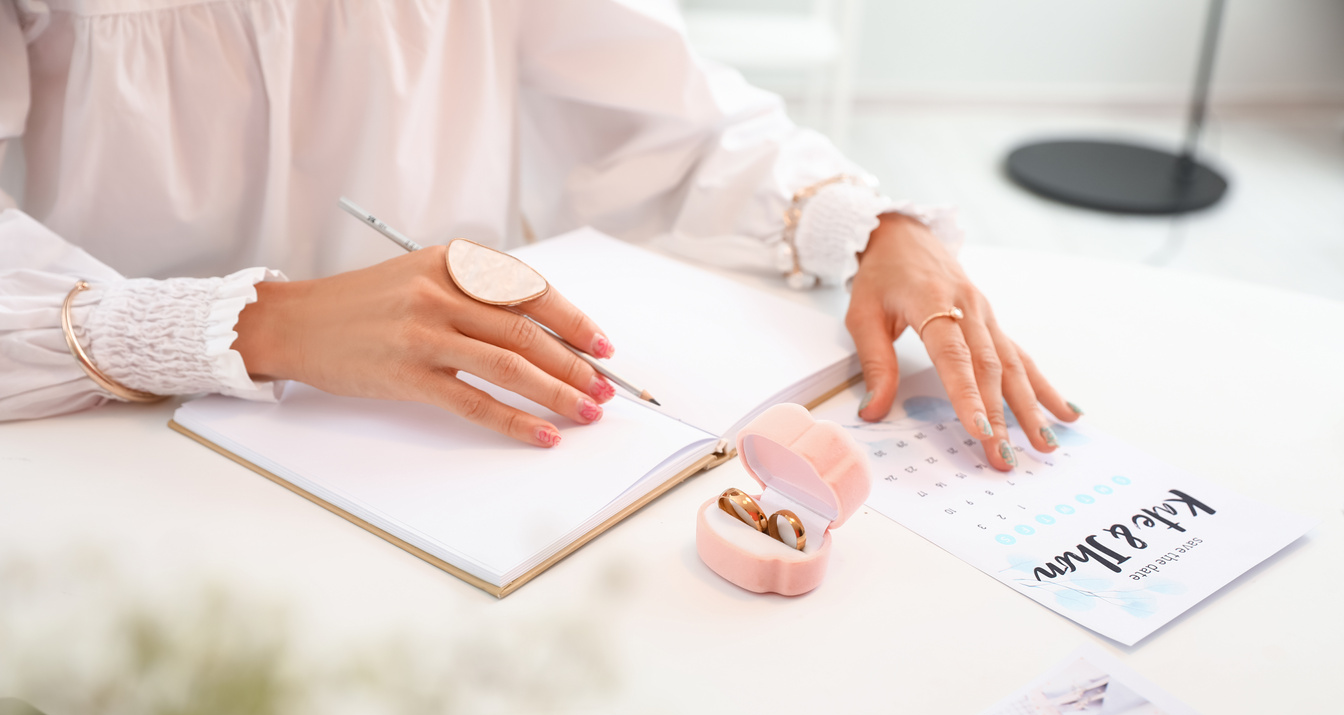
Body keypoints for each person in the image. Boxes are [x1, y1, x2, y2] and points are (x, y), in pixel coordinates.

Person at [0, 0, 1078, 470]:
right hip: (120, 438)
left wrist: (874, 227)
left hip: (455, 452)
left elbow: (670, 121)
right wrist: (263, 324)